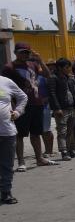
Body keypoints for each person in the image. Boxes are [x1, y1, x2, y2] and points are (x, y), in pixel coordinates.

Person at [2, 43, 54, 170]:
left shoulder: (33, 65)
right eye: (22, 52)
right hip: (21, 106)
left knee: (36, 133)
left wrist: (40, 60)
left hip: (37, 103)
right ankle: (21, 162)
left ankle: (39, 159)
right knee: (20, 134)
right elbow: (4, 87)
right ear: (15, 52)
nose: (25, 54)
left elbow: (48, 75)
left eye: (27, 52)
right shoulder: (9, 68)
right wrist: (13, 107)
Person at [0, 73, 28, 204]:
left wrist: (17, 112)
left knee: (6, 164)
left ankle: (6, 193)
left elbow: (23, 97)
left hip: (7, 131)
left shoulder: (6, 81)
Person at [47, 58, 75, 160]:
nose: (69, 69)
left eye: (69, 67)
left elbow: (73, 94)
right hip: (62, 109)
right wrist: (57, 108)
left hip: (71, 107)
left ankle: (70, 149)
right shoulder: (53, 78)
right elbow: (52, 94)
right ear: (59, 68)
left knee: (70, 130)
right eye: (66, 67)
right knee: (62, 131)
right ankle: (64, 151)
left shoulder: (68, 78)